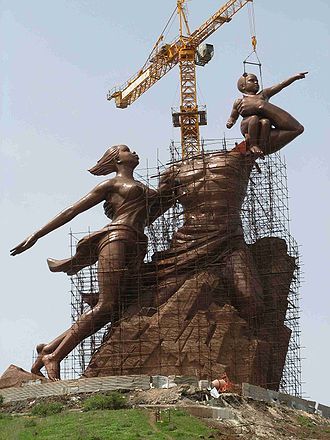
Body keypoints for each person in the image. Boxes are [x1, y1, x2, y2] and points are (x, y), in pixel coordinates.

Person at [10, 145, 157, 380]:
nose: (135, 152)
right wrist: (37, 234)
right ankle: (54, 357)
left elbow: (165, 200)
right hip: (116, 237)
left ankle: (48, 348)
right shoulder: (111, 185)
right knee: (107, 305)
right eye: (128, 150)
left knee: (114, 308)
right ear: (117, 159)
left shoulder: (145, 189)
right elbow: (72, 210)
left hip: (138, 244)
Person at [226, 72, 307, 156]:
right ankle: (253, 144)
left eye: (256, 80)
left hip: (260, 124)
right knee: (254, 118)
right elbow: (233, 116)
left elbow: (280, 85)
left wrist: (293, 77)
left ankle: (261, 145)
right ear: (243, 86)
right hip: (247, 124)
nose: (256, 82)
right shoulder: (239, 101)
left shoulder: (263, 95)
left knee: (266, 121)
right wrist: (230, 122)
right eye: (251, 81)